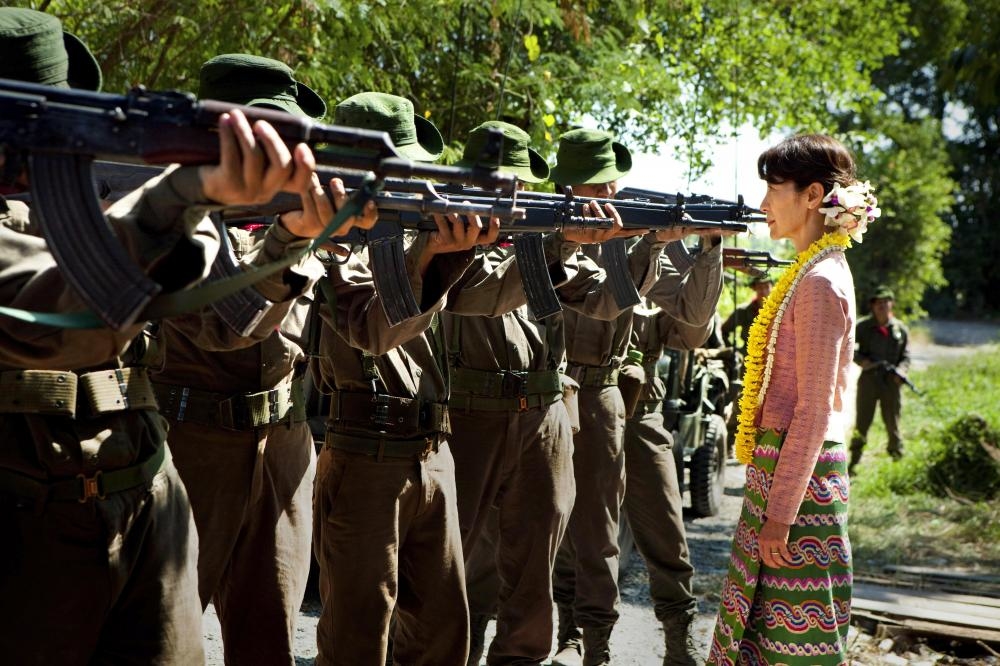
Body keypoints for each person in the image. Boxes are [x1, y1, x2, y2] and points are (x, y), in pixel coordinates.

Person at [0, 9, 353, 663]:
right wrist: (182, 195)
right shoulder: (111, 208)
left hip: (146, 486)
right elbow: (64, 319)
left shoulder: (88, 203)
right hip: (35, 510)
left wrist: (290, 235)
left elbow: (227, 316)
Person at [149, 53, 341, 665]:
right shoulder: (174, 207)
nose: (278, 152)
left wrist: (430, 257)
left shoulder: (300, 212)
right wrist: (292, 238)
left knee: (270, 641)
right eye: (262, 133)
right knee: (165, 642)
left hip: (284, 447)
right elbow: (223, 327)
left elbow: (373, 329)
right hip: (190, 444)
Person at [311, 92, 495, 666]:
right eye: (398, 169)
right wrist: (425, 255)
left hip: (433, 450)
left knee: (444, 634)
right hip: (364, 454)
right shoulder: (328, 241)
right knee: (357, 636)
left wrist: (556, 242)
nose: (413, 181)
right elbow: (372, 331)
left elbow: (499, 295)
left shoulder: (415, 233)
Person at [547, 128, 719, 666]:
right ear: (570, 188)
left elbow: (691, 319)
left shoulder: (632, 239)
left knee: (664, 525)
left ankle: (678, 641)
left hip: (633, 402)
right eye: (597, 185)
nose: (610, 194)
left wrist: (707, 248)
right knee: (576, 526)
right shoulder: (544, 235)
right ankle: (575, 636)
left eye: (611, 184)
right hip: (565, 396)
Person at [709, 133, 881, 664]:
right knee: (766, 632)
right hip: (791, 470)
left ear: (812, 196)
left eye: (772, 189)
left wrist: (781, 515)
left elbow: (813, 410)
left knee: (792, 642)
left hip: (799, 483)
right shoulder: (813, 270)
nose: (763, 203)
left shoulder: (820, 282)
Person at [850, 285, 910, 473]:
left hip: (891, 383)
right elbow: (848, 346)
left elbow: (906, 356)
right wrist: (862, 361)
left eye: (885, 302)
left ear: (891, 304)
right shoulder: (863, 327)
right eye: (878, 303)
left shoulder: (900, 329)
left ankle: (896, 459)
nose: (881, 306)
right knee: (862, 423)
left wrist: (902, 372)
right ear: (872, 306)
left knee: (892, 423)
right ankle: (853, 462)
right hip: (868, 381)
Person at [721, 274, 772, 351]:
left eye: (767, 287)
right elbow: (723, 331)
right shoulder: (743, 311)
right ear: (754, 288)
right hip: (749, 353)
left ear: (772, 288)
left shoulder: (779, 311)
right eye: (760, 287)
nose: (764, 291)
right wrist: (733, 351)